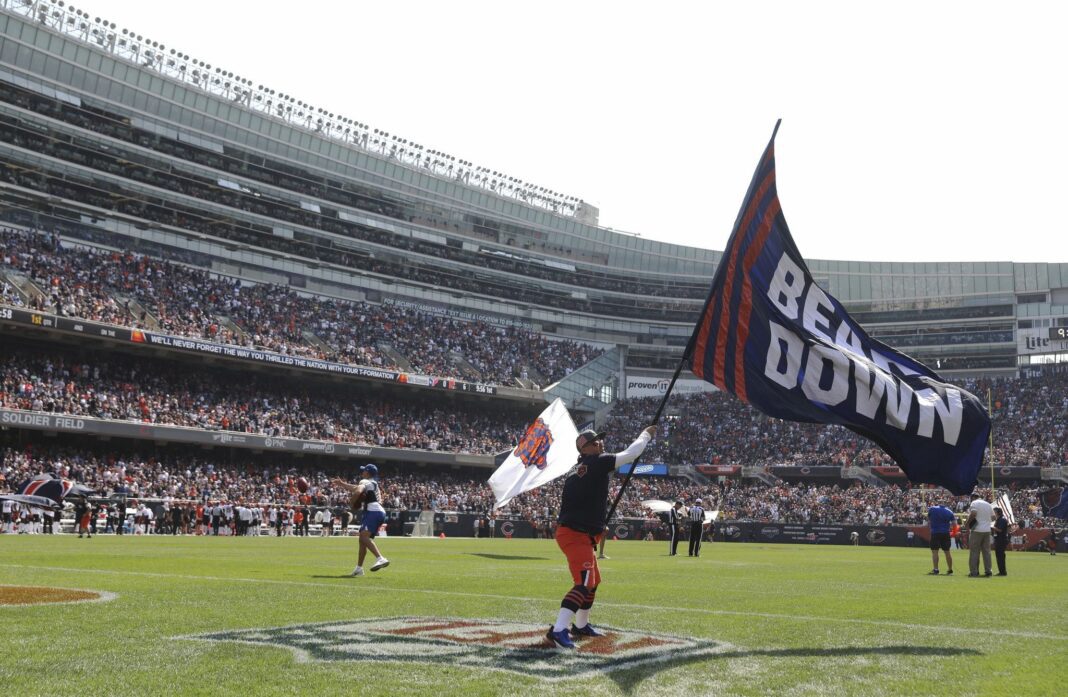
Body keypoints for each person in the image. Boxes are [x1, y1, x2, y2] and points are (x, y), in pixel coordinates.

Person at [546, 425, 655, 649]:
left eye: (600, 441)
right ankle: (558, 630)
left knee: (593, 581)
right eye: (595, 442)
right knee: (584, 583)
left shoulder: (578, 469)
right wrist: (646, 434)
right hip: (575, 533)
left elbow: (581, 502)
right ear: (584, 449)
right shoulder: (596, 462)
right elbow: (632, 453)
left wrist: (597, 525)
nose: (600, 444)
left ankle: (581, 625)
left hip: (578, 531)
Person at [332, 464, 389, 577]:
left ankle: (380, 558)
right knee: (362, 540)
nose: (362, 472)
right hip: (375, 511)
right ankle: (359, 568)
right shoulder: (370, 483)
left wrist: (352, 501)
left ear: (367, 473)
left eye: (363, 471)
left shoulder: (365, 481)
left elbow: (358, 491)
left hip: (373, 511)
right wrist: (342, 484)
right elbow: (356, 488)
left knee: (364, 537)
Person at [966, 492, 994, 577]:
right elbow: (993, 518)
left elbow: (974, 513)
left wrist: (967, 523)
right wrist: (985, 521)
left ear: (973, 497)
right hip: (987, 530)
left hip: (977, 530)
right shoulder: (988, 504)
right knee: (987, 552)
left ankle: (974, 572)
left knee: (974, 551)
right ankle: (988, 570)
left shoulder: (974, 503)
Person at [927, 503, 955, 575]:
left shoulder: (932, 509)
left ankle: (936, 569)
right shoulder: (949, 511)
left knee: (935, 552)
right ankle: (950, 570)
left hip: (935, 532)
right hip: (945, 533)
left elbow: (929, 519)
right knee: (947, 552)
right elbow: (954, 524)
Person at [992, 507, 1011, 576]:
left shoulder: (1002, 520)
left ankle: (1003, 572)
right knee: (999, 556)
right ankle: (1001, 571)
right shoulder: (999, 519)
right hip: (999, 539)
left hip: (1001, 540)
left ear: (997, 512)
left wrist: (992, 527)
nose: (993, 513)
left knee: (1000, 556)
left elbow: (1000, 530)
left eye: (994, 512)